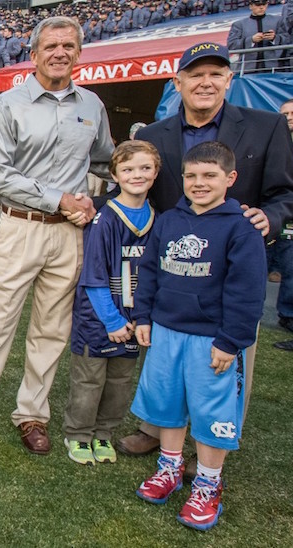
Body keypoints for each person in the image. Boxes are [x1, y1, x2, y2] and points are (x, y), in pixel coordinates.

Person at [0, 16, 115, 455]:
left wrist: (100, 197)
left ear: (79, 52)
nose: (60, 53)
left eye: (68, 46)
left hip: (69, 236)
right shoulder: (10, 104)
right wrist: (60, 199)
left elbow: (103, 163)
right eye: (51, 46)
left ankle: (32, 415)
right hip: (20, 227)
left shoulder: (92, 106)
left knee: (51, 330)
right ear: (34, 53)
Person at [119, 42, 293, 456]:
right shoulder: (152, 135)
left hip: (233, 272)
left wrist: (271, 217)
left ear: (230, 80)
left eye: (216, 73)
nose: (206, 82)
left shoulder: (266, 126)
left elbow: (285, 192)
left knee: (226, 359)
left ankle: (212, 439)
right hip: (174, 272)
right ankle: (156, 429)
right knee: (166, 354)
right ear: (177, 82)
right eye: (196, 75)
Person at [131, 141, 266, 531]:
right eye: (191, 176)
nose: (199, 183)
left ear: (230, 178)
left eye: (209, 176)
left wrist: (230, 340)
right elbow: (150, 272)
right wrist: (144, 316)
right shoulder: (170, 221)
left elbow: (247, 290)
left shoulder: (241, 228)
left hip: (211, 341)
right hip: (167, 333)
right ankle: (169, 469)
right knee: (168, 405)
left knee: (210, 413)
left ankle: (208, 484)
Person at [63, 140, 159, 466]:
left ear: (156, 172)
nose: (137, 175)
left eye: (145, 168)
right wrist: (112, 320)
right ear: (115, 172)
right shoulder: (105, 218)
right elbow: (93, 276)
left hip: (134, 320)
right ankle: (78, 434)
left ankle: (104, 433)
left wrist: (140, 318)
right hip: (99, 318)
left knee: (119, 382)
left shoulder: (156, 219)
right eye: (129, 169)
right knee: (89, 380)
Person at [273, 98, 293, 351]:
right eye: (284, 113)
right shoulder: (278, 142)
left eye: (292, 113)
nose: (288, 117)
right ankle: (286, 314)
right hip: (282, 218)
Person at [227, 0, 285, 74]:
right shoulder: (239, 25)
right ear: (251, 6)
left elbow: (287, 39)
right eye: (258, 5)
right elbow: (231, 44)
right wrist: (251, 40)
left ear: (267, 5)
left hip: (273, 68)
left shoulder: (278, 20)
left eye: (264, 4)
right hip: (248, 70)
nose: (261, 7)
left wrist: (274, 38)